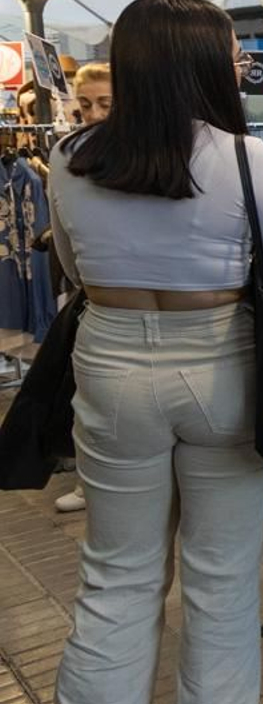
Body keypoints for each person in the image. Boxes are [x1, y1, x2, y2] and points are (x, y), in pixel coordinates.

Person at [45, 0, 263, 704]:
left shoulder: (70, 157)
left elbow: (72, 272)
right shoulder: (247, 160)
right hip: (222, 367)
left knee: (117, 568)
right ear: (210, 63)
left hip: (109, 364)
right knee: (219, 568)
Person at [53, 62, 114, 516]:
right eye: (86, 104)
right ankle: (89, 480)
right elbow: (65, 249)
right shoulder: (66, 154)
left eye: (105, 103)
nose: (93, 114)